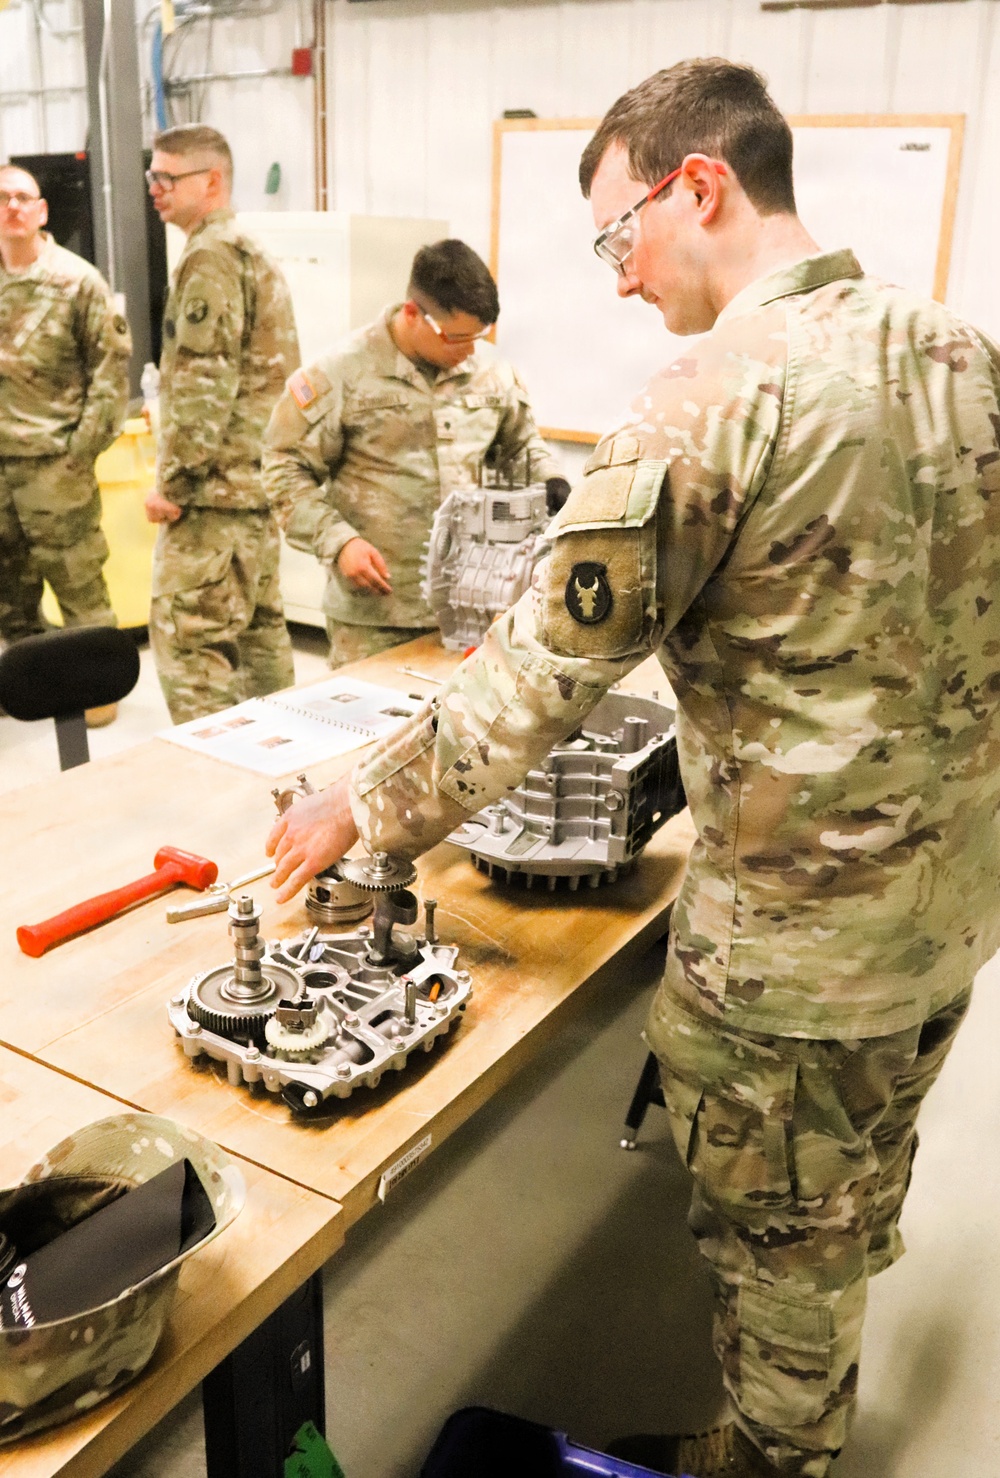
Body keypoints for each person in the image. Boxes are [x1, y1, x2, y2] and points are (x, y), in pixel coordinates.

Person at [264, 59, 1000, 1478]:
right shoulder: (960, 352)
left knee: (779, 1242)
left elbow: (535, 681)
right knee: (851, 1191)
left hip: (795, 955)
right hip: (949, 912)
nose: (615, 277)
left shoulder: (710, 399)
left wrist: (367, 804)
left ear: (699, 186)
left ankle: (774, 1457)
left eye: (618, 233)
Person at [261, 238, 569, 667]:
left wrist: (551, 478)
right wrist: (338, 541)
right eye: (456, 337)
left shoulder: (490, 374)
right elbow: (283, 467)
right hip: (376, 615)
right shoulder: (341, 374)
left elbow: (520, 444)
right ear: (412, 313)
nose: (469, 350)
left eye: (479, 337)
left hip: (475, 603)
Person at [145, 124, 298, 724]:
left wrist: (174, 484)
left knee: (191, 650)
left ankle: (214, 772)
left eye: (168, 176)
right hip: (252, 494)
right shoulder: (246, 250)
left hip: (213, 501)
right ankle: (287, 772)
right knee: (261, 647)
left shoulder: (209, 256)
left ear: (212, 181)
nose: (155, 187)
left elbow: (203, 385)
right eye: (152, 175)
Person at [0, 163, 131, 726]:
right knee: (10, 593)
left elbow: (110, 373)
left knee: (79, 583)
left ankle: (98, 693)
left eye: (22, 197)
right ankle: (28, 692)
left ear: (42, 211)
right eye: (1, 198)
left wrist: (80, 453)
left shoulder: (77, 281)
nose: (11, 207)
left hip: (55, 465)